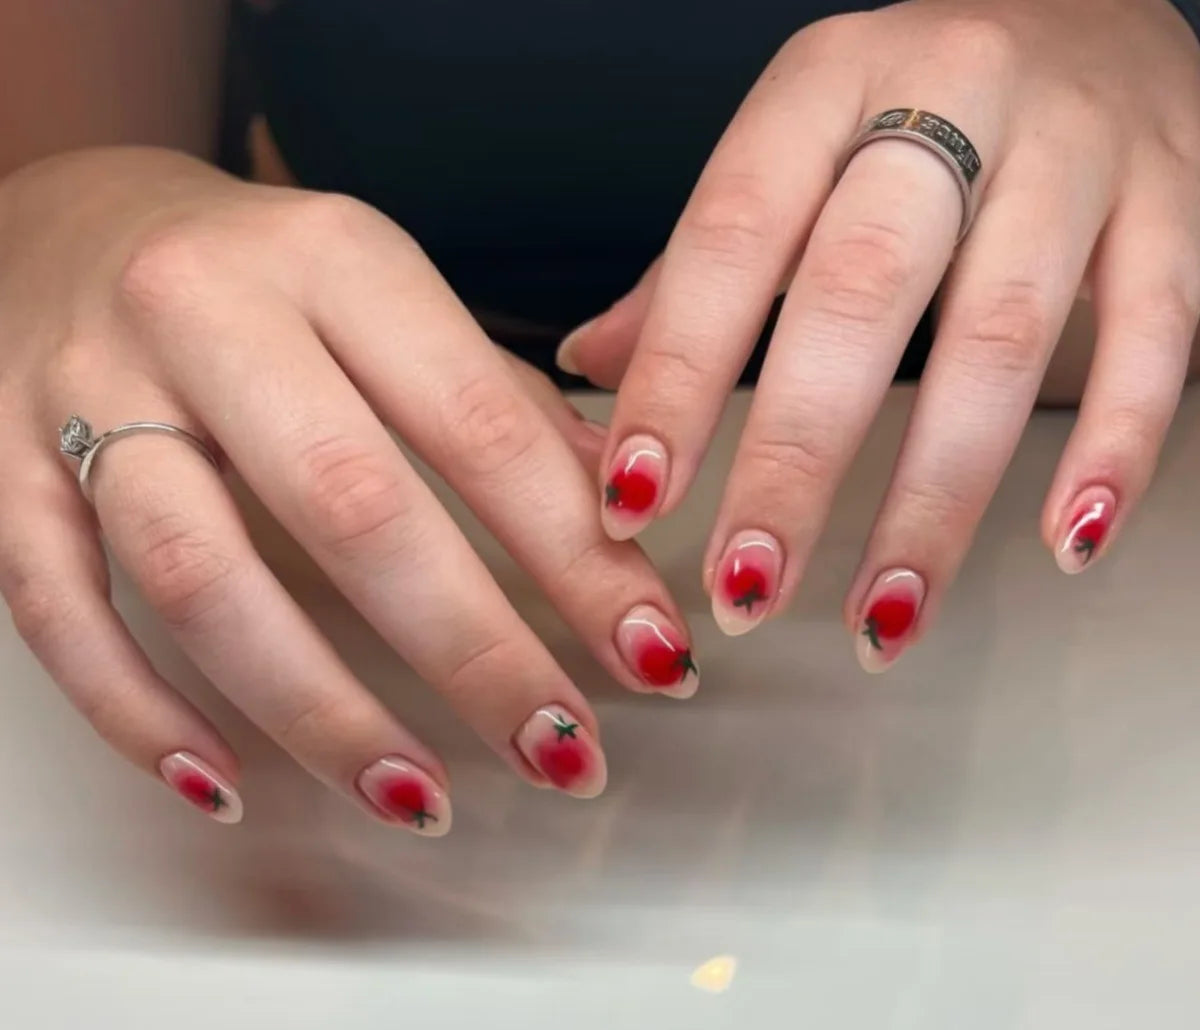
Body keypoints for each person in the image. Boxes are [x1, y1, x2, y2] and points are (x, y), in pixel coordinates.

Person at [1, 0, 1197, 835]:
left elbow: (1103, 331)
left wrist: (1141, 61)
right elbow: (79, 150)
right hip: (346, 499)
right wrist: (80, 219)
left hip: (1105, 658)